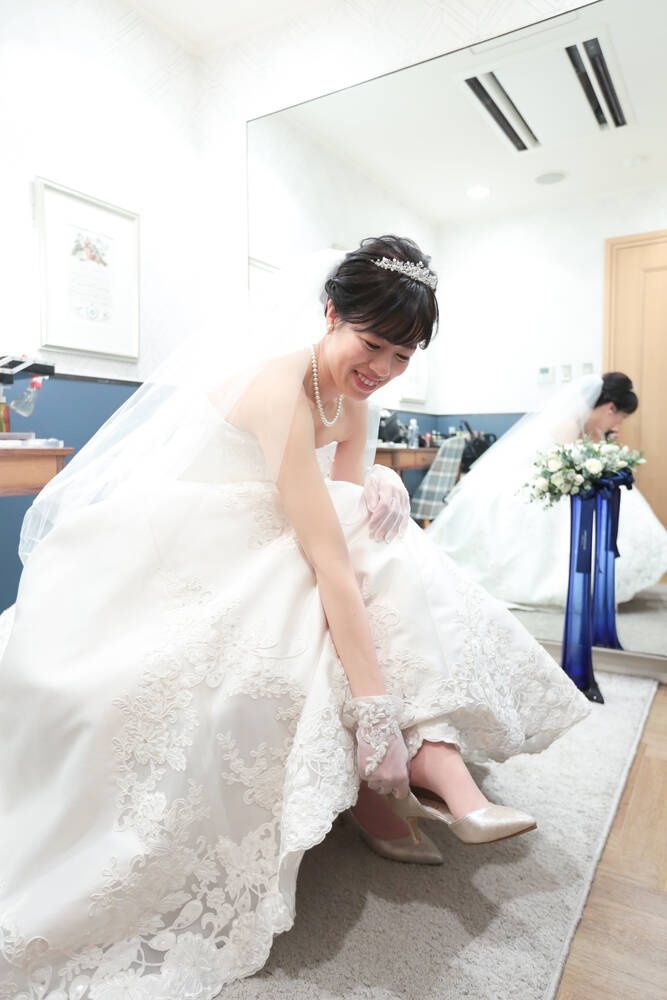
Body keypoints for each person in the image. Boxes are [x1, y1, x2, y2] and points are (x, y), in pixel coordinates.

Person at [0, 236, 589, 999]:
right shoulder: (279, 385)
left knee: (383, 540)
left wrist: (379, 482)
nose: (382, 368)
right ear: (331, 313)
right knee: (358, 567)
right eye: (371, 344)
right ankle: (419, 762)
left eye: (402, 356)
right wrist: (373, 711)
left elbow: (344, 510)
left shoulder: (356, 398)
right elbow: (328, 553)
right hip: (191, 545)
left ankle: (415, 767)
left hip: (277, 535)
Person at [427, 372, 667, 607]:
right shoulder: (568, 424)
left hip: (570, 482)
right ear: (610, 408)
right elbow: (558, 467)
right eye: (620, 418)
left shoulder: (593, 429)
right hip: (547, 481)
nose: (618, 424)